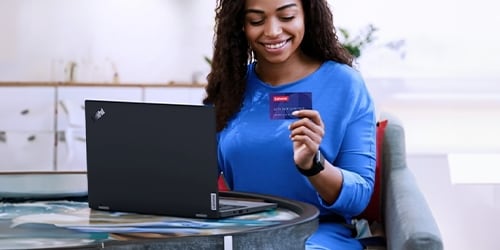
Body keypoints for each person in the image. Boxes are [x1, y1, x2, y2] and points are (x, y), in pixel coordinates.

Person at [203, 0, 376, 249]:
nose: (273, 31)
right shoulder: (230, 87)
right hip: (241, 232)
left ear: (307, 16)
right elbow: (195, 180)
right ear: (240, 25)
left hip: (315, 234)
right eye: (257, 20)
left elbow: (358, 197)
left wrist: (313, 165)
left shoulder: (345, 85)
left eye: (286, 17)